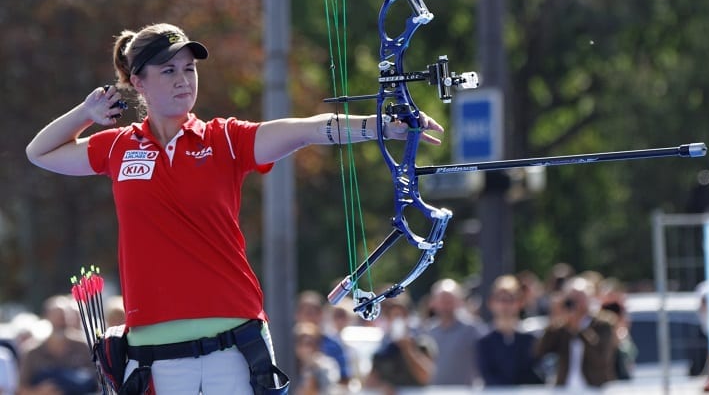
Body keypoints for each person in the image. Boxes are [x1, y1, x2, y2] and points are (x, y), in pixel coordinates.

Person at [25, 23, 444, 395]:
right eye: (168, 70)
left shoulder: (223, 138)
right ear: (138, 82)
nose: (183, 80)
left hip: (234, 348)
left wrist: (385, 125)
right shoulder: (118, 146)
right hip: (154, 356)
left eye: (189, 69)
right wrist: (87, 112)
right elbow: (40, 152)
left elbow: (309, 130)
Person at [535, 276, 618, 389]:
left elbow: (601, 359)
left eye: (579, 298)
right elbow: (541, 350)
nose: (575, 303)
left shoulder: (603, 324)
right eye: (571, 298)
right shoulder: (561, 327)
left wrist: (579, 328)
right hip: (565, 388)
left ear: (589, 299)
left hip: (595, 388)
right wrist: (556, 315)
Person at [18, 295, 98, 395]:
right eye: (57, 316)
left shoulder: (83, 346)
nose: (61, 321)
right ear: (46, 317)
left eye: (65, 316)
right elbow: (20, 389)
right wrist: (39, 391)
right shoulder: (32, 352)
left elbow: (98, 382)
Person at [477, 274, 543, 386]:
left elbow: (536, 375)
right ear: (491, 303)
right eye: (500, 299)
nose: (505, 305)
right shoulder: (484, 341)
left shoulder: (530, 340)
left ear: (520, 302)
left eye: (510, 299)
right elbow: (488, 377)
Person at [365, 290, 436, 394]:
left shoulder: (422, 344)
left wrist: (408, 350)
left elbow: (426, 377)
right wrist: (382, 386)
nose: (397, 321)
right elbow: (369, 382)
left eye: (400, 316)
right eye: (393, 316)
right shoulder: (383, 349)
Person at [425, 278, 484, 386]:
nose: (446, 305)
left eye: (450, 300)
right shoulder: (427, 331)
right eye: (442, 300)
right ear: (433, 302)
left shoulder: (473, 329)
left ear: (460, 301)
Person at [292, 322, 342, 395]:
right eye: (300, 343)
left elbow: (329, 389)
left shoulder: (327, 366)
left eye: (308, 344)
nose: (304, 348)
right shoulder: (291, 365)